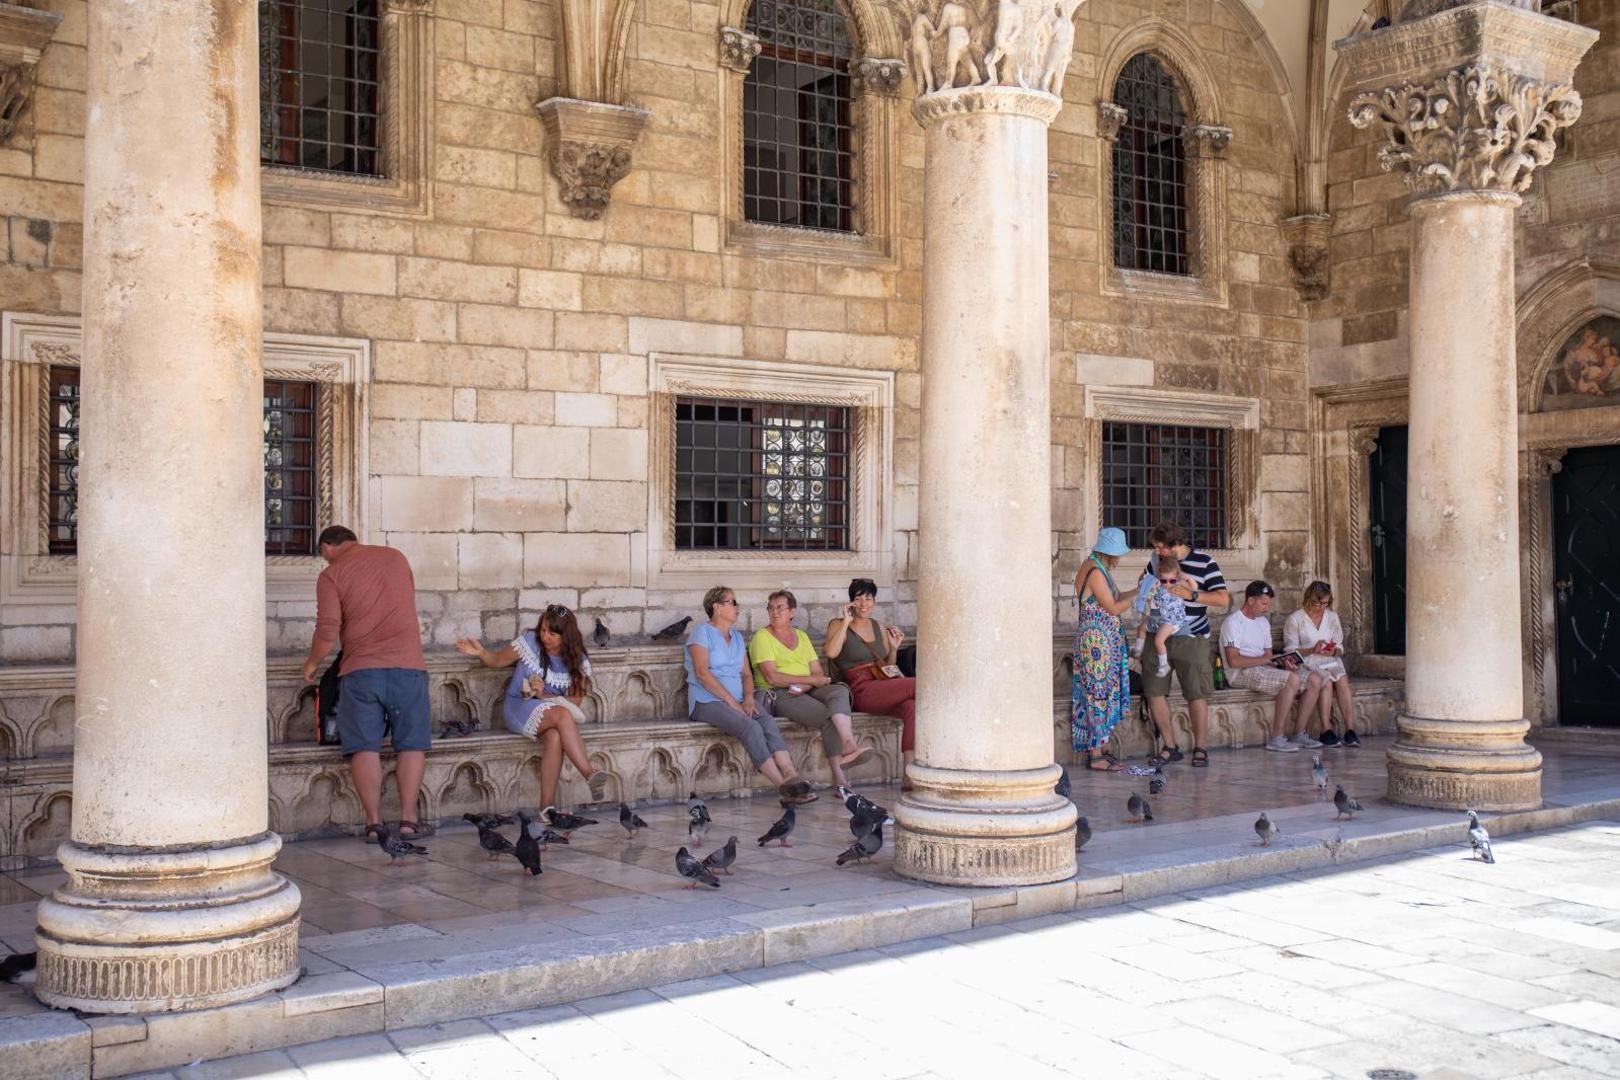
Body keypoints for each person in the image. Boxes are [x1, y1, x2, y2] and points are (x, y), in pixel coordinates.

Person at [301, 526, 432, 840]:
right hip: (408, 666)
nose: (325, 563)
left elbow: (328, 630)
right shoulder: (396, 558)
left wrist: (312, 663)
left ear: (328, 546)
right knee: (412, 743)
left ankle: (373, 824)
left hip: (361, 671)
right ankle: (408, 820)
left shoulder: (332, 575)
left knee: (363, 747)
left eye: (324, 556)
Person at [457, 604, 604, 824]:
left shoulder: (578, 660)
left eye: (552, 633)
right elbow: (496, 660)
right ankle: (588, 772)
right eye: (543, 630)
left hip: (550, 710)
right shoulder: (529, 643)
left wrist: (543, 693)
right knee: (562, 716)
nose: (545, 636)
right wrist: (480, 652)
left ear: (566, 636)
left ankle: (546, 810)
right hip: (519, 707)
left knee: (555, 736)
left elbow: (575, 701)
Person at [686, 585, 817, 804]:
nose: (738, 607)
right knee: (750, 726)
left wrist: (747, 699)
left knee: (765, 720)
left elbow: (747, 675)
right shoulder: (701, 632)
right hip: (707, 701)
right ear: (717, 607)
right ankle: (784, 788)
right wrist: (732, 703)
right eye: (733, 602)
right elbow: (702, 674)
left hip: (738, 700)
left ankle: (790, 774)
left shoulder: (736, 637)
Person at [749, 590, 874, 791]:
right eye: (770, 608)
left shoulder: (801, 636)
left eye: (780, 607)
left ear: (792, 612)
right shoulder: (762, 637)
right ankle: (840, 780)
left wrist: (807, 684)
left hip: (806, 688)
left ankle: (849, 744)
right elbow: (773, 677)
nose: (774, 612)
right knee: (828, 717)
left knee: (839, 691)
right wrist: (810, 681)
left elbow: (817, 671)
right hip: (781, 693)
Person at [1140, 521, 1232, 768]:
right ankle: (1170, 746)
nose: (1157, 551)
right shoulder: (1156, 561)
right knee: (1154, 690)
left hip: (1192, 638)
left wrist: (1192, 595)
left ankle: (1200, 747)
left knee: (1196, 692)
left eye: (1160, 547)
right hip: (1157, 635)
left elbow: (1223, 599)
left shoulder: (1205, 563)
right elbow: (1146, 585)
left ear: (1175, 544)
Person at [825, 578, 918, 789]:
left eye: (869, 598)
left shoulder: (879, 626)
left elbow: (888, 669)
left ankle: (907, 774)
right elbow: (831, 653)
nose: (864, 604)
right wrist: (846, 622)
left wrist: (894, 649)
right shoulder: (837, 625)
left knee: (912, 708)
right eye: (858, 599)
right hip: (861, 689)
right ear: (851, 602)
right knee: (919, 686)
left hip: (881, 685)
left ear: (874, 602)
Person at [1220, 580, 1325, 753]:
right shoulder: (1233, 623)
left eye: (1268, 604)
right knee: (1292, 680)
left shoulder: (1263, 623)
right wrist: (1267, 661)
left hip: (1263, 668)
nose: (1266, 608)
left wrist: (1284, 663)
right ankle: (1276, 738)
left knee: (1314, 678)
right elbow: (1234, 661)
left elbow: (1269, 656)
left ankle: (1299, 733)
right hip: (1240, 673)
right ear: (1251, 600)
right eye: (1263, 603)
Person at [1072, 527, 1141, 771]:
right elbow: (1113, 607)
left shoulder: (1098, 568)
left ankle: (1100, 748)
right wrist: (1137, 596)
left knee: (1100, 693)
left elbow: (1118, 596)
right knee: (1097, 694)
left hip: (1101, 643)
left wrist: (1138, 589)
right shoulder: (1094, 572)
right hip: (1095, 646)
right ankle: (1096, 755)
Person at [1284, 580, 1362, 748]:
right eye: (1317, 603)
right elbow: (1290, 651)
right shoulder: (1295, 619)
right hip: (1308, 662)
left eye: (1325, 603)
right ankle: (1326, 729)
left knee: (1341, 679)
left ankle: (1350, 730)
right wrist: (1312, 649)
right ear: (1308, 599)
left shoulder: (1332, 617)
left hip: (1330, 659)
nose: (1320, 607)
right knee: (1325, 681)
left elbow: (1339, 645)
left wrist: (1333, 651)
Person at [1133, 555, 1196, 678]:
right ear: (1159, 577)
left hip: (1172, 619)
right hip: (1158, 616)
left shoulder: (1179, 584)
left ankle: (1163, 665)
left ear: (1176, 577)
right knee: (1141, 627)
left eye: (1171, 580)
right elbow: (1146, 593)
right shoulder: (1157, 584)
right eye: (1163, 580)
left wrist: (1187, 578)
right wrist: (1149, 587)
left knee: (1158, 640)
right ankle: (1137, 651)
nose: (1167, 584)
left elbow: (1194, 588)